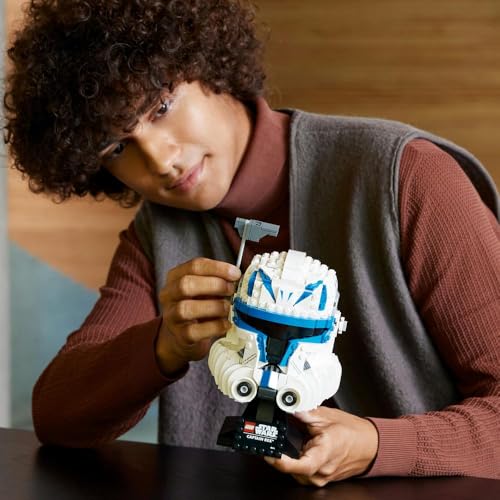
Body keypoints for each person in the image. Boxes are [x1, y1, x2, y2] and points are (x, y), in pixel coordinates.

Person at [4, 0, 499, 486]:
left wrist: (376, 445)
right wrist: (165, 345)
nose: (159, 159)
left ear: (207, 62)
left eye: (161, 107)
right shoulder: (159, 233)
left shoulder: (408, 177)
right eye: (116, 147)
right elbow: (57, 416)